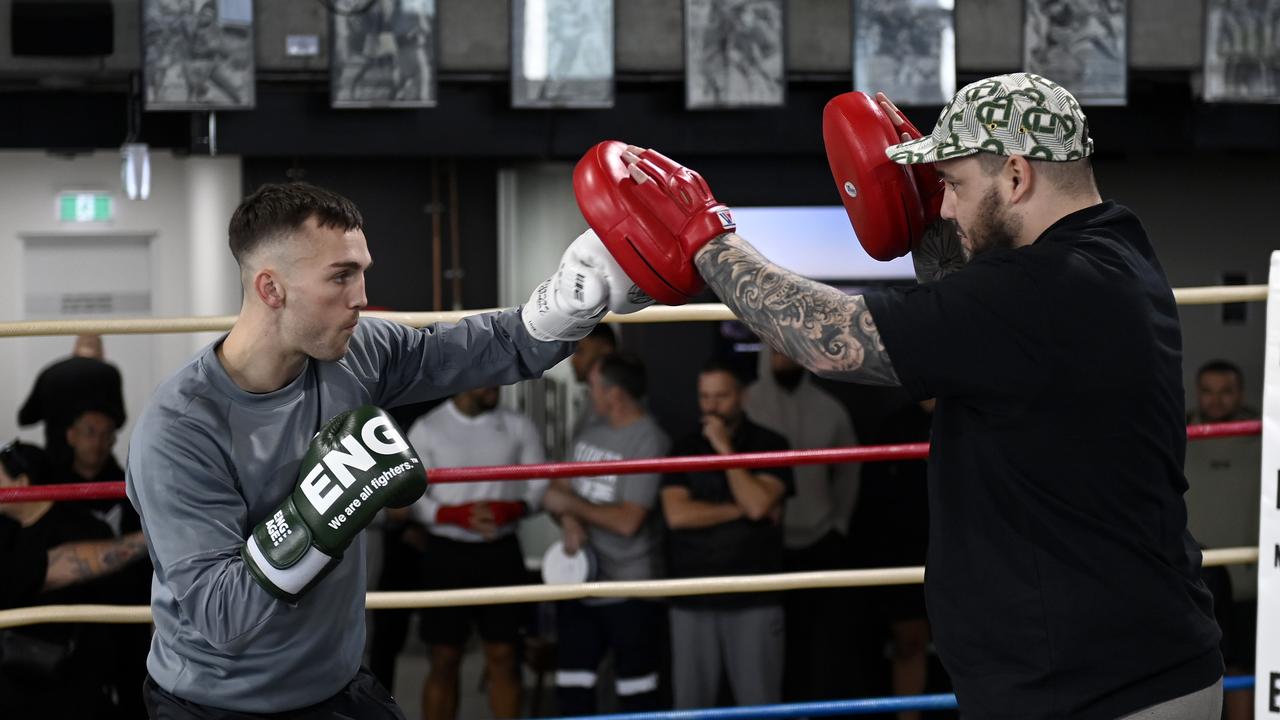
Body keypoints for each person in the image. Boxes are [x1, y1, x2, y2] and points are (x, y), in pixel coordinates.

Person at [588, 72, 1223, 718]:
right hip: (1114, 670)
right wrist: (930, 223)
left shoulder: (1044, 290)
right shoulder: (1113, 251)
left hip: (1101, 692)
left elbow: (829, 338)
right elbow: (973, 323)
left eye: (952, 187)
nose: (942, 207)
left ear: (1015, 175)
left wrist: (707, 240)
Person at [124, 182, 642, 718]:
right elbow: (221, 614)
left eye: (362, 271)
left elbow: (476, 351)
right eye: (341, 276)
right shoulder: (180, 429)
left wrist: (575, 303)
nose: (362, 296)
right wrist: (325, 507)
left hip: (336, 683)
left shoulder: (356, 351)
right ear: (271, 289)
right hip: (217, 704)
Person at [404, 385, 547, 720]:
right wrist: (453, 514)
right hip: (447, 553)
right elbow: (409, 493)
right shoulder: (428, 427)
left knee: (504, 655)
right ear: (465, 379)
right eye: (488, 379)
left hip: (500, 551)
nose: (497, 386)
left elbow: (540, 484)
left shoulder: (518, 425)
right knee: (443, 657)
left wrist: (512, 508)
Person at [540, 352, 671, 714]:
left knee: (636, 692)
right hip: (581, 584)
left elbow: (628, 521)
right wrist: (568, 520)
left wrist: (571, 508)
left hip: (630, 588)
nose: (589, 393)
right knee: (572, 688)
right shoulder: (590, 430)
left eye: (594, 386)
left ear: (614, 394)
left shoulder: (649, 440)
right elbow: (556, 490)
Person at [660, 359, 793, 710]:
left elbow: (758, 505)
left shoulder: (771, 444)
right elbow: (677, 515)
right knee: (691, 708)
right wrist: (741, 509)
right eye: (705, 397)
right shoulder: (682, 448)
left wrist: (725, 451)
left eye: (721, 396)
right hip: (691, 595)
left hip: (754, 594)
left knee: (759, 705)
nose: (712, 406)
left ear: (743, 396)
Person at [743, 345, 859, 703]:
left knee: (820, 641)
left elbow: (850, 469)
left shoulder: (830, 409)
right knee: (768, 645)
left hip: (820, 538)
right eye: (777, 354)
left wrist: (838, 522)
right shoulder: (747, 403)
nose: (785, 361)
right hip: (764, 542)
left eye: (791, 353)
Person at [0, 440, 149, 719]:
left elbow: (63, 565)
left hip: (72, 687)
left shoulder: (85, 527)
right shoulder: (6, 531)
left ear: (21, 482)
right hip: (15, 688)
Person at [1184, 360, 1258, 720]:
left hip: (1247, 579)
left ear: (1240, 393)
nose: (1215, 400)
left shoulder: (1265, 437)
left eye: (1225, 391)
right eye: (1208, 391)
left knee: (1243, 666)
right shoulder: (1177, 432)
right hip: (1191, 575)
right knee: (1188, 673)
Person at [18, 333, 125, 467]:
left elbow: (25, 418)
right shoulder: (110, 373)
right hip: (99, 464)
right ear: (102, 352)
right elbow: (120, 420)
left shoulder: (50, 372)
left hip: (54, 461)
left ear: (74, 349)